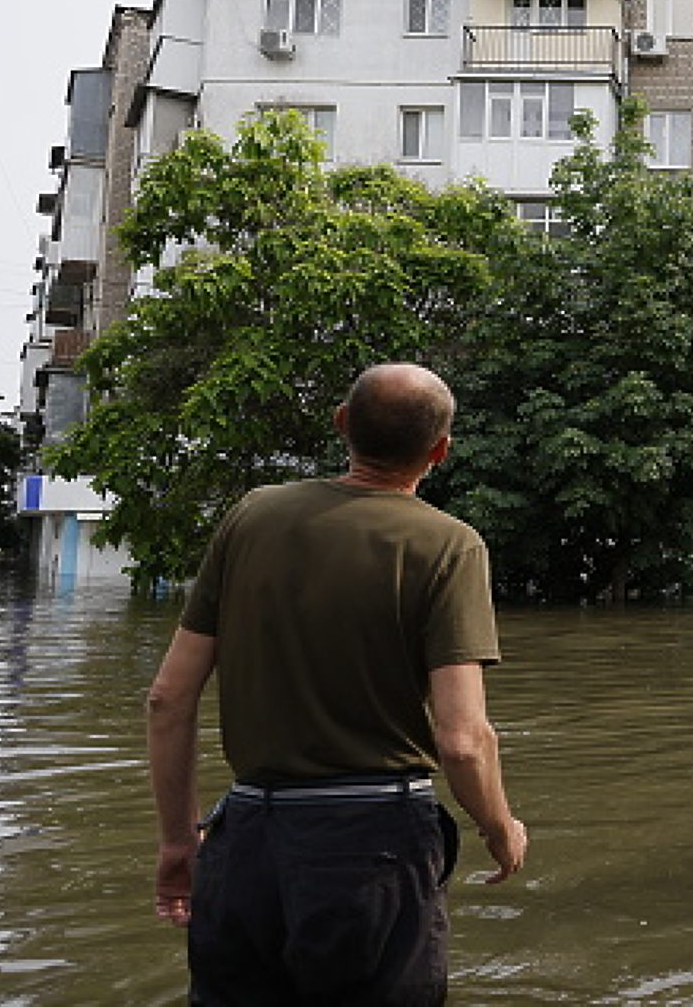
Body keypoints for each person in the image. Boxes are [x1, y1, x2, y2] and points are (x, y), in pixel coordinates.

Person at [145, 362, 527, 1005]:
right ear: (440, 450)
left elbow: (167, 699)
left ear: (342, 424)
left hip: (245, 840)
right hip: (373, 849)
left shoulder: (252, 515)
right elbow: (463, 739)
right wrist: (499, 827)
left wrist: (181, 841)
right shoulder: (450, 545)